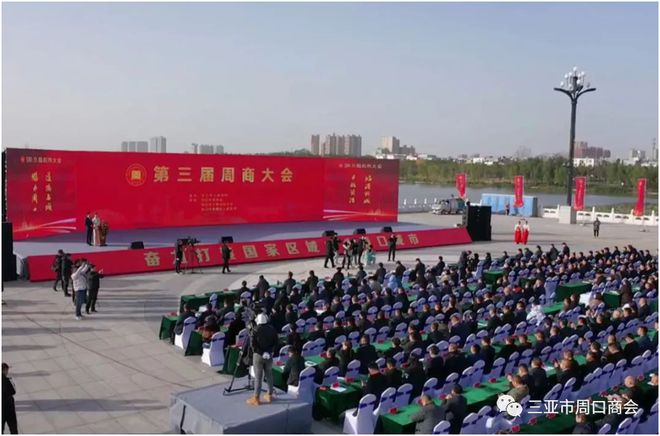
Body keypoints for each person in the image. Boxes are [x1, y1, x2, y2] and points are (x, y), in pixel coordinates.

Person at [247, 313, 278, 406]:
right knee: (269, 375)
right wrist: (269, 352)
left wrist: (262, 353)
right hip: (269, 355)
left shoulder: (254, 330)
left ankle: (256, 398)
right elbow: (276, 342)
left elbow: (253, 345)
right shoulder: (272, 329)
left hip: (258, 356)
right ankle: (269, 394)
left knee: (258, 377)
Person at [2, 363, 17, 434]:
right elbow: (13, 391)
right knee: (13, 427)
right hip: (8, 408)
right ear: (4, 370)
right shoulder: (7, 380)